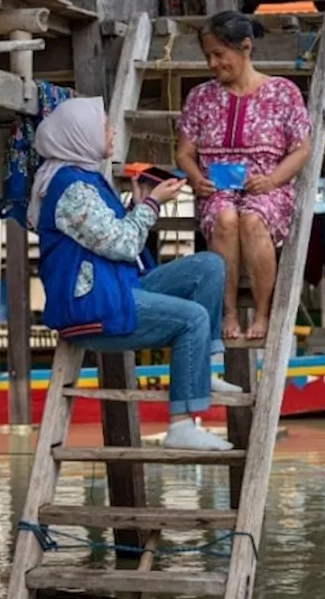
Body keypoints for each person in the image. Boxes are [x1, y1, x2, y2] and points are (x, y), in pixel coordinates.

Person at [29, 97, 240, 452]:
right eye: (103, 127)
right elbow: (123, 244)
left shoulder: (86, 176)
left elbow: (106, 235)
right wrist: (152, 204)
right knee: (193, 318)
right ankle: (181, 424)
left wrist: (138, 205)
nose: (111, 132)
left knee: (209, 266)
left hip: (115, 288)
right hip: (93, 308)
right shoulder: (72, 188)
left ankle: (200, 371)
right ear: (80, 136)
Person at [176, 10, 313, 341]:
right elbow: (184, 153)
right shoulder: (200, 97)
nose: (212, 63)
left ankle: (264, 314)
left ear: (245, 48)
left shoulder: (283, 92)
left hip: (267, 187)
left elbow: (301, 150)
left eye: (219, 54)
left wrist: (272, 180)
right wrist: (196, 178)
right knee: (225, 218)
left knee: (252, 219)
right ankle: (229, 312)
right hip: (217, 189)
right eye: (208, 55)